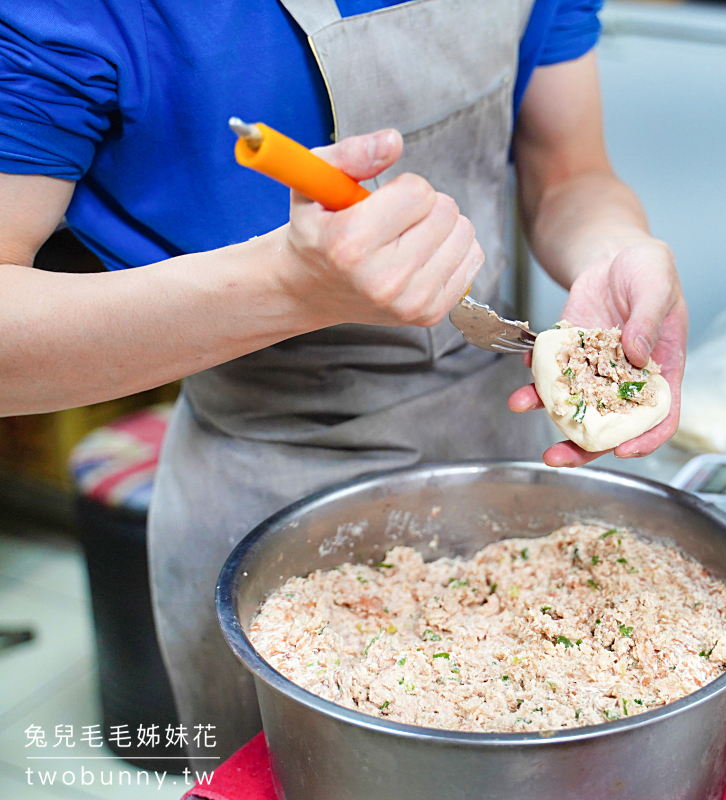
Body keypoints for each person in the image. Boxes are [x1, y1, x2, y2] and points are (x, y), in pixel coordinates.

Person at [0, 0, 686, 766]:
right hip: (265, 499)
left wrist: (617, 246)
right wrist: (282, 290)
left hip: (506, 454)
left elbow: (570, 172)